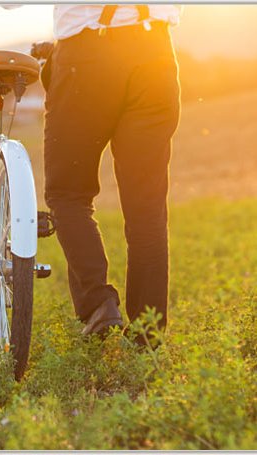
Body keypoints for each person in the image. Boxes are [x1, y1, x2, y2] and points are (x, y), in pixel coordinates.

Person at [41, 5, 181, 338]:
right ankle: (148, 336)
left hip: (90, 58)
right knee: (146, 210)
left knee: (67, 194)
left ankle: (98, 305)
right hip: (156, 56)